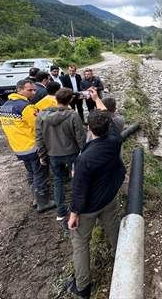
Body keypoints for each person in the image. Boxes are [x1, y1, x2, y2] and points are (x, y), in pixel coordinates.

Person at [67, 90, 124, 298]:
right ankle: (122, 259)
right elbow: (106, 114)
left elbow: (79, 190)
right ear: (109, 125)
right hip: (109, 197)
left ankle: (82, 287)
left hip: (89, 206)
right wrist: (97, 98)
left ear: (89, 129)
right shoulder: (115, 139)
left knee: (80, 244)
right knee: (114, 228)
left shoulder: (85, 159)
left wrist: (74, 214)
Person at [0, 79, 56, 213]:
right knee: (40, 173)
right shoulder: (26, 107)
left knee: (31, 172)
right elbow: (39, 125)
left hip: (19, 147)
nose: (33, 92)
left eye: (34, 89)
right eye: (30, 90)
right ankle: (43, 202)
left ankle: (36, 198)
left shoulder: (5, 106)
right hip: (32, 147)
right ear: (20, 90)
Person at [36, 88, 86, 221]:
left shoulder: (41, 115)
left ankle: (60, 212)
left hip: (53, 154)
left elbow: (39, 137)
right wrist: (84, 152)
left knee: (58, 181)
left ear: (56, 99)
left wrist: (42, 155)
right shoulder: (73, 115)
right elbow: (80, 137)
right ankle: (79, 209)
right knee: (77, 180)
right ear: (70, 100)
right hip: (72, 153)